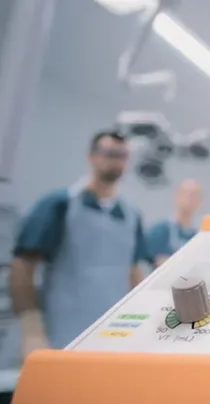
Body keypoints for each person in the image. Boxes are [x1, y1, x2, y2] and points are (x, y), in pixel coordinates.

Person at [8, 131, 146, 355]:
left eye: (122, 156)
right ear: (92, 156)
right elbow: (23, 266)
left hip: (112, 338)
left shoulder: (131, 215)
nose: (116, 161)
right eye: (109, 154)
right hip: (60, 334)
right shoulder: (59, 205)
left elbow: (133, 272)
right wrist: (31, 328)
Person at [145, 179, 202, 267]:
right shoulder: (160, 231)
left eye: (195, 195)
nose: (190, 199)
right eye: (187, 194)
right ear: (177, 196)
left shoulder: (198, 237)